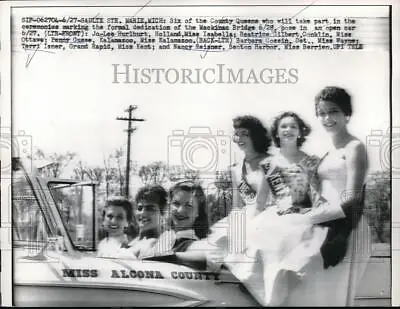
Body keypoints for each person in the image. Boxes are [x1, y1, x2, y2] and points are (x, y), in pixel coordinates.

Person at [283, 86, 370, 306]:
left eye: (333, 111)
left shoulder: (354, 148)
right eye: (321, 113)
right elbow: (319, 194)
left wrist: (310, 217)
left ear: (346, 114)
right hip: (324, 221)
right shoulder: (328, 152)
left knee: (327, 291)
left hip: (347, 225)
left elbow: (350, 200)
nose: (327, 118)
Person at [152, 180, 209, 255]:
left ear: (198, 212)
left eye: (189, 205)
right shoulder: (164, 238)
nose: (180, 211)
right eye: (176, 203)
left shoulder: (197, 247)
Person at [119, 185, 168, 259]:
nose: (143, 213)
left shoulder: (158, 244)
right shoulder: (128, 242)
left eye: (150, 208)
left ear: (163, 212)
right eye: (140, 208)